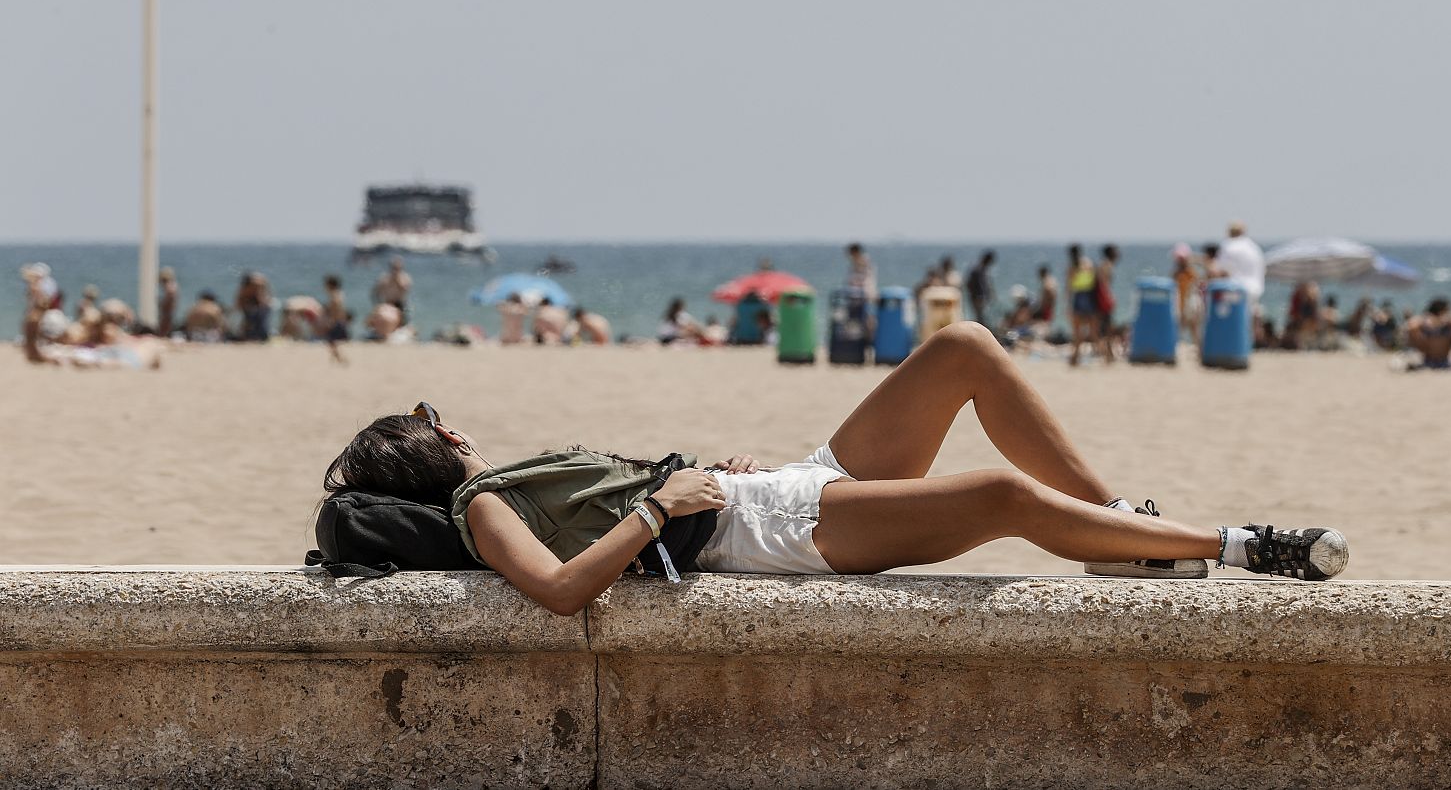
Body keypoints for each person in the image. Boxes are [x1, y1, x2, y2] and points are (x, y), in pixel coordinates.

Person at [322, 323, 1349, 618]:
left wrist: (694, 473)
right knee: (995, 498)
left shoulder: (504, 483)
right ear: (427, 452)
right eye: (428, 420)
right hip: (770, 534)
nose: (448, 423)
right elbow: (553, 592)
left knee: (967, 352)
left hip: (775, 490)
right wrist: (663, 506)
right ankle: (1236, 544)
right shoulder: (480, 500)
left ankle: (1114, 522)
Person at [1214, 222, 1266, 332]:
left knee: (1229, 315)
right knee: (1249, 314)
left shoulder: (1228, 245)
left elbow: (1220, 270)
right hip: (1256, 288)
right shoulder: (1254, 247)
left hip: (1236, 288)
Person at [1405, 297, 1451, 371]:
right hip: (1428, 360)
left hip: (1444, 360)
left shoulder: (1449, 324)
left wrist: (1446, 318)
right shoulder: (1423, 324)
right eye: (1447, 310)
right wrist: (1427, 319)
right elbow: (1410, 327)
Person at [1066, 244, 1098, 367]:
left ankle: (1075, 357)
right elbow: (1094, 281)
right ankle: (1103, 355)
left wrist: (1068, 305)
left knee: (1076, 331)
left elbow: (1069, 287)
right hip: (1089, 296)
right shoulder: (1088, 263)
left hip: (1078, 296)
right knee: (1093, 329)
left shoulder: (1072, 267)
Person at [1095, 245, 1120, 363]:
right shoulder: (1106, 265)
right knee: (1107, 328)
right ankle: (1108, 355)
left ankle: (1108, 354)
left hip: (1100, 300)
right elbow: (1104, 285)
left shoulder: (1103, 265)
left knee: (1104, 327)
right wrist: (1110, 299)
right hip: (1103, 301)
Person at [1171, 245, 1201, 345]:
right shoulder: (1177, 273)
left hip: (1189, 302)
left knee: (1193, 326)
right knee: (1180, 326)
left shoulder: (1190, 272)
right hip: (1180, 302)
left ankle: (1197, 345)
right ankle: (1177, 343)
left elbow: (1196, 286)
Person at [373, 257, 413, 325]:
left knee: (403, 323)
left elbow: (405, 289)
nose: (395, 269)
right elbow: (376, 291)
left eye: (397, 267)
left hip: (400, 304)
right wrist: (379, 303)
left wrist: (396, 279)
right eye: (394, 267)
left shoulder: (405, 277)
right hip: (387, 303)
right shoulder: (385, 277)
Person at [323, 275, 352, 364]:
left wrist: (332, 321)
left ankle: (340, 359)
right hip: (340, 320)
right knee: (333, 342)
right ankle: (336, 358)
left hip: (336, 321)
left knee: (332, 341)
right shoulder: (339, 294)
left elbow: (335, 310)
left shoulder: (334, 295)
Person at [965, 251, 996, 328]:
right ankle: (979, 332)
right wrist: (977, 296)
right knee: (980, 316)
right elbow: (974, 284)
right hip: (978, 297)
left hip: (978, 297)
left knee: (980, 315)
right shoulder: (978, 269)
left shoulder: (980, 269)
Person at [1034, 264, 1059, 331]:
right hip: (1049, 305)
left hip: (1046, 305)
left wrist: (1044, 303)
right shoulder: (1052, 279)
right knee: (1047, 321)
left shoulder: (1047, 281)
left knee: (1045, 322)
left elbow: (1051, 292)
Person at [157, 267, 179, 338]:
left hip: (167, 314)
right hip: (169, 313)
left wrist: (161, 303)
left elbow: (169, 299)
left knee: (163, 332)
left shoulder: (169, 286)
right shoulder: (173, 286)